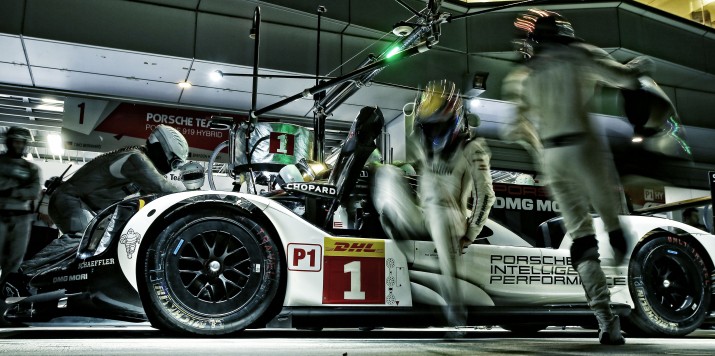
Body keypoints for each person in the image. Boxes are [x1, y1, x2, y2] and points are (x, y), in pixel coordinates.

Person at [502, 9, 656, 345]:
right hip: (585, 146)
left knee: (582, 239)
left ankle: (606, 320)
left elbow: (515, 127)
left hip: (552, 157)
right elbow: (625, 78)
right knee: (613, 220)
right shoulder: (579, 54)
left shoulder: (521, 75)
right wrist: (642, 69)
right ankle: (623, 259)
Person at [373, 80, 495, 332]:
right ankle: (396, 229)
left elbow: (487, 195)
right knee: (387, 173)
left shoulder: (473, 148)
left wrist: (471, 233)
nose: (433, 131)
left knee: (440, 215)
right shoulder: (422, 147)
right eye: (429, 126)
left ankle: (455, 305)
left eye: (438, 124)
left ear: (454, 118)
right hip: (420, 214)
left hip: (451, 216)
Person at [48, 124, 189, 235]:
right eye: (174, 162)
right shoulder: (135, 158)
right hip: (71, 200)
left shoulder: (138, 161)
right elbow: (163, 188)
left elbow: (150, 200)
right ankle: (29, 270)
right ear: (161, 149)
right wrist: (196, 196)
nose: (172, 168)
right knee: (79, 244)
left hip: (86, 206)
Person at [0, 126, 41, 324]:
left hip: (22, 219)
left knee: (13, 268)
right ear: (8, 141)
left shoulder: (32, 168)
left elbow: (33, 192)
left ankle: (4, 313)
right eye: (14, 141)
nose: (17, 145)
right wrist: (18, 188)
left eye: (21, 142)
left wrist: (8, 189)